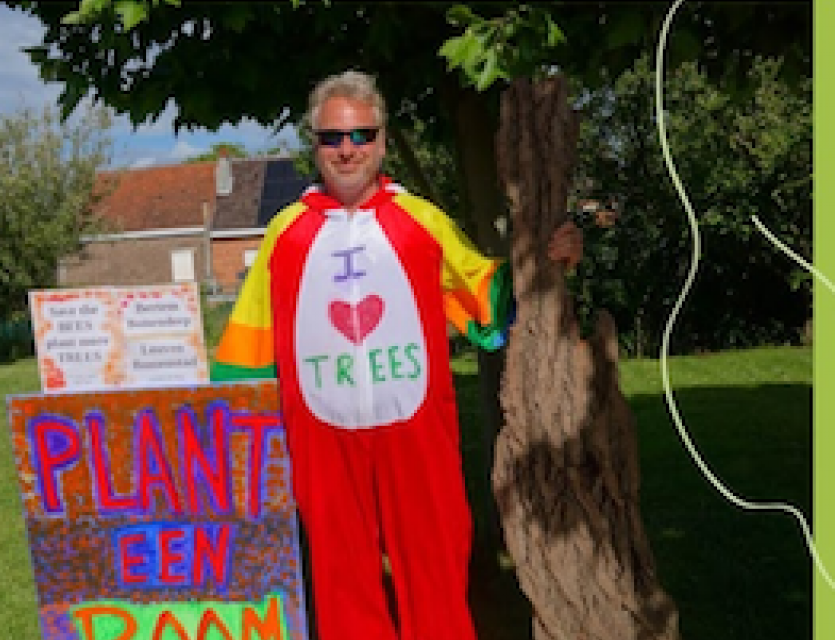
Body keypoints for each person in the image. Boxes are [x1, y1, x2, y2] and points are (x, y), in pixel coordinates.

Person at [211, 70, 582, 640]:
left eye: (361, 134)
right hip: (321, 439)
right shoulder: (284, 233)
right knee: (341, 586)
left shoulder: (421, 220)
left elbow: (485, 293)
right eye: (331, 137)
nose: (347, 149)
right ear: (314, 146)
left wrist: (548, 259)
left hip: (417, 431)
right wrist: (218, 432)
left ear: (383, 140)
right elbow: (246, 348)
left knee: (435, 572)